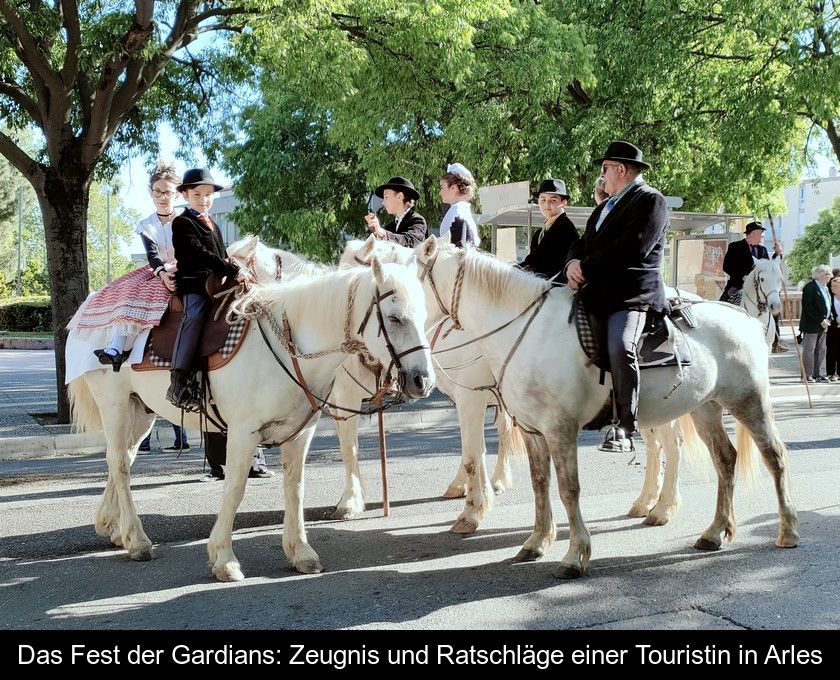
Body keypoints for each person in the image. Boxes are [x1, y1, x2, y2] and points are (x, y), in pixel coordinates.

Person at [68, 161, 187, 451]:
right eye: (157, 192)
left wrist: (178, 272)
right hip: (157, 272)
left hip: (184, 268)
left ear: (178, 194)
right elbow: (151, 255)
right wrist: (162, 274)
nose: (162, 197)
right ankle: (119, 346)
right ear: (151, 193)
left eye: (168, 192)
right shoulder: (147, 223)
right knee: (130, 295)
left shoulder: (185, 220)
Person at [565, 140, 669, 452]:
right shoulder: (604, 206)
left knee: (621, 345)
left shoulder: (651, 201)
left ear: (621, 169)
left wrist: (586, 265)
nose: (603, 175)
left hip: (631, 295)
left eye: (605, 169)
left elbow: (632, 248)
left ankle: (624, 425)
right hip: (597, 290)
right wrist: (571, 262)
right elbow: (583, 243)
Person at [166, 168, 248, 409]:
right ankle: (178, 382)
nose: (204, 200)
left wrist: (236, 268)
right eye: (197, 194)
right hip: (194, 283)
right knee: (194, 315)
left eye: (208, 194)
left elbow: (221, 254)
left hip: (216, 283)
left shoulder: (212, 222)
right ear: (185, 196)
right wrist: (230, 269)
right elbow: (199, 254)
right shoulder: (182, 222)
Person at [518, 179, 579, 281]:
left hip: (557, 288)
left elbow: (559, 265)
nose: (547, 204)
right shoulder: (538, 234)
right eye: (543, 199)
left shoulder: (566, 229)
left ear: (564, 203)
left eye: (553, 200)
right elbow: (532, 260)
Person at [719, 222, 782, 305]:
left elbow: (768, 269)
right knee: (723, 307)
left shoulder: (763, 250)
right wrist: (743, 277)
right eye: (760, 233)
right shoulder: (735, 247)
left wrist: (776, 254)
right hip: (738, 286)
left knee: (773, 308)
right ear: (753, 233)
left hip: (758, 289)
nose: (762, 236)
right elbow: (726, 267)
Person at [363, 176, 428, 247]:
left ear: (399, 196)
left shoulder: (417, 220)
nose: (383, 202)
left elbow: (411, 241)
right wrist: (376, 232)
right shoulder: (391, 225)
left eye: (386, 197)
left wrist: (382, 232)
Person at [800, 265, 833, 383]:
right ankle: (807, 375)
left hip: (824, 324)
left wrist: (829, 318)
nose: (830, 276)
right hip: (812, 324)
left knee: (821, 350)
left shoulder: (825, 287)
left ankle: (818, 374)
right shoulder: (810, 288)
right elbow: (808, 307)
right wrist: (820, 320)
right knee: (809, 350)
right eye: (828, 274)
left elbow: (828, 304)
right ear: (821, 276)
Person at [438, 163, 480, 247]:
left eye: (442, 187)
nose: (440, 192)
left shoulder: (456, 211)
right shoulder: (462, 210)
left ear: (453, 188)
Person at [826, 276, 840, 382]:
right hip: (833, 327)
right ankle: (830, 373)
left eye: (836, 286)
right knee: (831, 350)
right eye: (832, 286)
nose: (833, 288)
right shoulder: (829, 297)